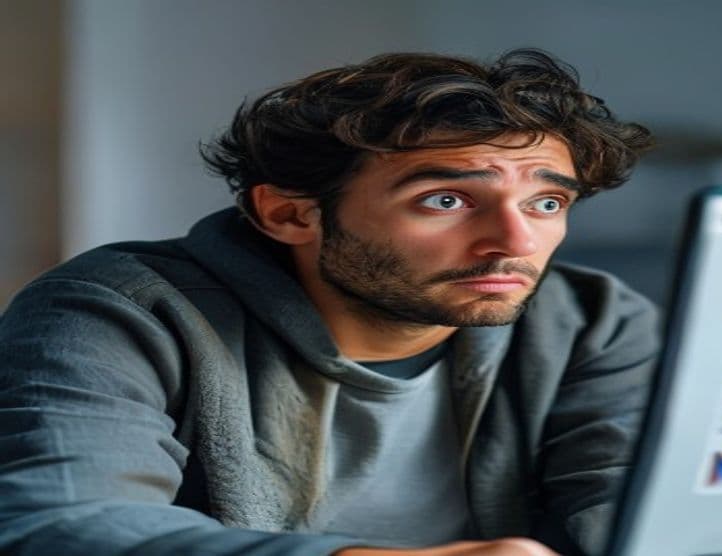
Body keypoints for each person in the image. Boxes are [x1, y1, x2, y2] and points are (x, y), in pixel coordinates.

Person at [0, 49, 657, 556]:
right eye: (446, 201)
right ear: (289, 214)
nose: (514, 242)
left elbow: (635, 514)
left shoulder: (593, 322)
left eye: (546, 203)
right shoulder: (117, 311)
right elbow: (64, 524)